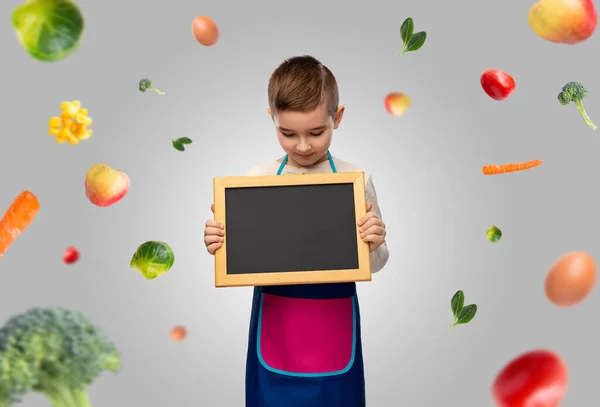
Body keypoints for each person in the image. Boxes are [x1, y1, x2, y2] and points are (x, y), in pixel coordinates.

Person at [203, 55, 390, 407]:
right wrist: (220, 242)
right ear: (271, 119)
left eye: (316, 133)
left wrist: (375, 242)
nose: (303, 146)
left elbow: (377, 262)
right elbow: (240, 256)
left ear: (338, 117)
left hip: (334, 326)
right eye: (288, 134)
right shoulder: (255, 180)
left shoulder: (356, 181)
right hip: (276, 325)